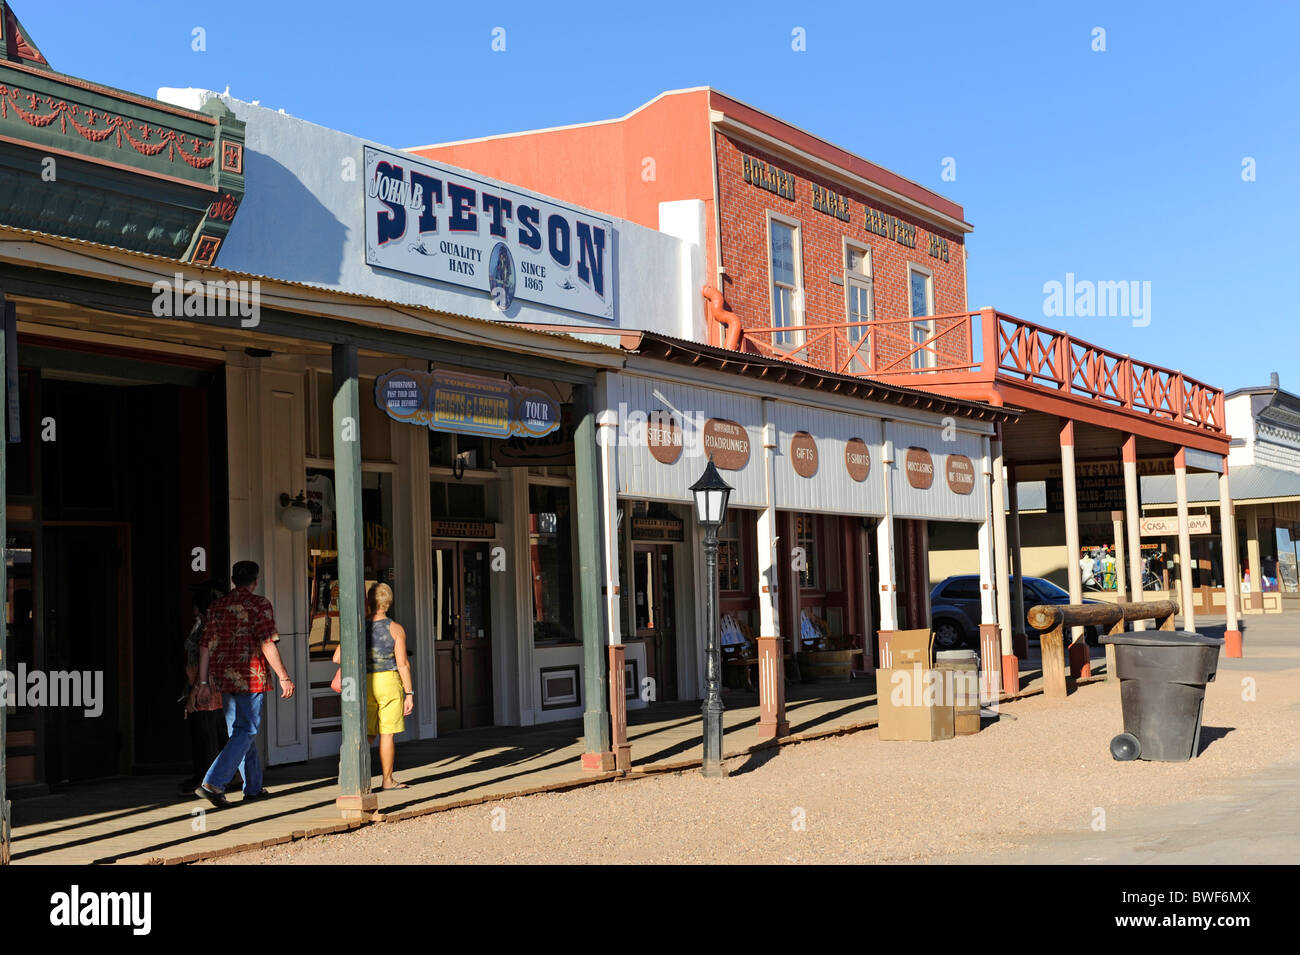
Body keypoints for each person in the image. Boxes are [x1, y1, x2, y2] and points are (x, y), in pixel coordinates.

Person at [194, 561, 295, 808]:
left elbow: (204, 646)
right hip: (251, 677)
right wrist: (283, 676)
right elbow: (267, 642)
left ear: (232, 579)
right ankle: (213, 783)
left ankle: (253, 787)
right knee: (245, 731)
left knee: (238, 733)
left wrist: (204, 682)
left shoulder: (216, 607)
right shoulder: (259, 605)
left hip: (224, 678)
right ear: (255, 580)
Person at [332, 582, 414, 790]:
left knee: (366, 733)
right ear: (389, 603)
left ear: (369, 601)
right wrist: (409, 693)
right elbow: (403, 664)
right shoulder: (395, 629)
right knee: (387, 733)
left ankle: (352, 776)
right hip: (388, 682)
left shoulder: (358, 627)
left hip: (364, 682)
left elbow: (337, 657)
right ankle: (387, 780)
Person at [178, 581, 230, 796]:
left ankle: (207, 777)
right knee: (212, 730)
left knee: (207, 732)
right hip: (206, 682)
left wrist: (194, 689)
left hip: (204, 683)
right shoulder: (207, 626)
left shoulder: (207, 628)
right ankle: (214, 775)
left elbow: (203, 659)